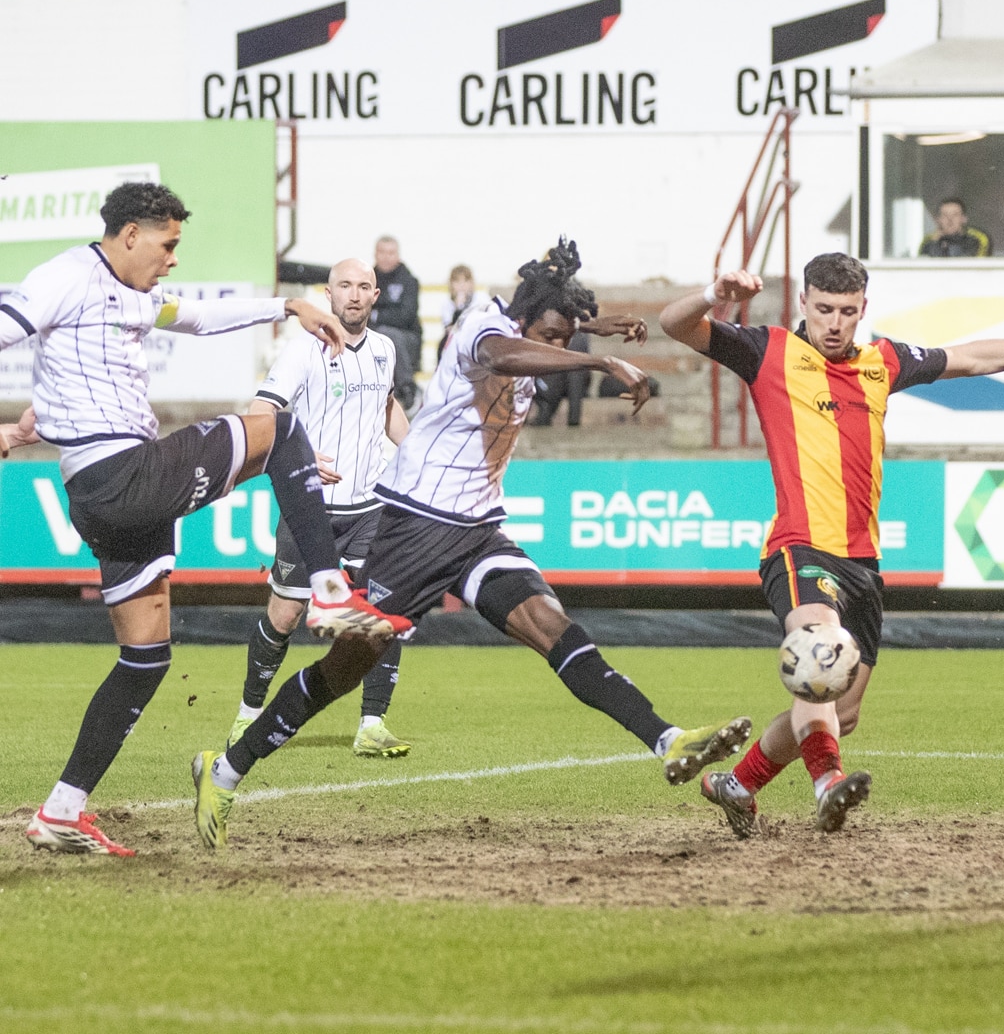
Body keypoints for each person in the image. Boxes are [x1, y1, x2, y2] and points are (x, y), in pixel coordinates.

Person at [191, 239, 751, 848]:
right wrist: (598, 362)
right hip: (414, 525)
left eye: (565, 337)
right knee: (345, 669)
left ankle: (668, 740)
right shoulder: (483, 327)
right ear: (525, 320)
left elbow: (540, 330)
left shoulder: (530, 326)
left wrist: (592, 326)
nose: (559, 345)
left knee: (554, 627)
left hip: (478, 530)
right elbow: (503, 351)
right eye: (553, 335)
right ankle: (224, 771)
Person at [0, 182, 405, 857]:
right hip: (125, 476)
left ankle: (62, 812)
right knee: (282, 429)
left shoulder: (133, 293)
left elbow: (195, 317)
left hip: (106, 496)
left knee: (146, 658)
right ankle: (331, 593)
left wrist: (288, 306)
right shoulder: (65, 277)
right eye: (168, 244)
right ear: (131, 234)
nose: (174, 258)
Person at [661, 253, 1004, 837]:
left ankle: (739, 785)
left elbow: (971, 358)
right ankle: (828, 784)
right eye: (824, 309)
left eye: (846, 312)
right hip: (799, 549)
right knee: (820, 653)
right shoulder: (767, 351)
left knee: (842, 711)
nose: (834, 323)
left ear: (863, 310)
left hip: (862, 564)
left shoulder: (883, 362)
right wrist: (713, 294)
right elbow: (676, 325)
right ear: (803, 303)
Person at [229, 258, 414, 759]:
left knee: (382, 612)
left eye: (363, 286)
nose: (354, 294)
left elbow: (387, 407)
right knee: (285, 615)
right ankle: (248, 713)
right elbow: (261, 412)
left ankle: (372, 724)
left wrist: (417, 453)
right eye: (344, 286)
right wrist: (301, 456)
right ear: (328, 295)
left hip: (371, 506)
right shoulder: (304, 350)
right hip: (310, 509)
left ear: (375, 295)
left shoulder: (385, 349)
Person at [372, 236, 421, 411]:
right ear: (375, 254)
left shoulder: (409, 281)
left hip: (406, 340)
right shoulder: (367, 280)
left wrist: (375, 315)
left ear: (398, 255)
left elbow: (406, 317)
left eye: (390, 253)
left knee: (389, 334)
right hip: (374, 336)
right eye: (382, 252)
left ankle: (407, 389)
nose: (386, 257)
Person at [437, 264, 488, 362]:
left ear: (471, 283)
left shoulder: (481, 299)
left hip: (477, 338)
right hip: (457, 340)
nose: (462, 286)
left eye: (465, 281)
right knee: (443, 343)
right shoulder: (447, 304)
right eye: (457, 282)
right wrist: (459, 308)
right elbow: (450, 330)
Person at [918, 198, 992, 258]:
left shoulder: (977, 238)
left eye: (955, 215)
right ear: (938, 219)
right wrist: (935, 243)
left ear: (964, 219)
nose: (950, 219)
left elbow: (973, 263)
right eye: (945, 215)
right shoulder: (928, 241)